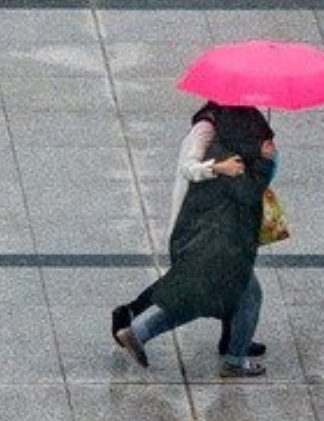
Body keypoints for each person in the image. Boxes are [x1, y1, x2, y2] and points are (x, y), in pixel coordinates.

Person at [113, 106, 276, 377]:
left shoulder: (230, 138)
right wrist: (261, 161)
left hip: (216, 234)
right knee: (248, 296)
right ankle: (235, 360)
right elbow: (238, 188)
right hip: (212, 237)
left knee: (200, 298)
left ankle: (138, 332)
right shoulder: (217, 143)